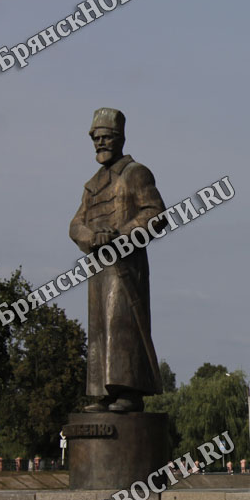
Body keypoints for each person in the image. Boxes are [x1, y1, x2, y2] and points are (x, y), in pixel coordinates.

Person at [70, 108, 166, 412]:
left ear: (120, 138)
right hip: (98, 269)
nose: (100, 143)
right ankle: (103, 392)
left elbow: (155, 213)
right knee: (99, 328)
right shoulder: (91, 184)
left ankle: (129, 390)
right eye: (95, 138)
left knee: (121, 323)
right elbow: (75, 225)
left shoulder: (136, 173)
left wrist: (119, 235)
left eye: (106, 137)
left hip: (126, 267)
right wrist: (90, 237)